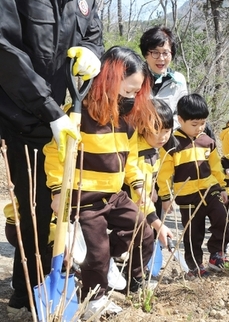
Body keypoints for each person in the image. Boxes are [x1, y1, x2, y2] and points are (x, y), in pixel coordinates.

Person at [0, 0, 103, 313]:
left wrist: (92, 53)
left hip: (58, 119)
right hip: (15, 118)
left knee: (51, 208)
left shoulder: (85, 2)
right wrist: (49, 109)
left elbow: (92, 35)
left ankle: (30, 291)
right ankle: (28, 294)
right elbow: (4, 50)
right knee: (32, 209)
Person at [44, 46, 157, 317]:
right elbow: (54, 154)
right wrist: (59, 191)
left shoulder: (125, 120)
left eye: (135, 92)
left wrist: (138, 186)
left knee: (143, 230)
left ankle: (124, 273)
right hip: (85, 200)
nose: (131, 97)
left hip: (114, 195)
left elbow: (129, 160)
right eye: (128, 90)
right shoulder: (78, 116)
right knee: (95, 254)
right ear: (110, 79)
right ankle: (95, 298)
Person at [157, 93, 229, 278]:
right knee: (193, 233)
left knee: (222, 217)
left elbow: (215, 167)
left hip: (210, 189)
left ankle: (217, 254)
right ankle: (195, 266)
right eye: (194, 124)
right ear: (180, 120)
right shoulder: (171, 143)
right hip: (187, 196)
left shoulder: (208, 141)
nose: (200, 128)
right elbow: (164, 174)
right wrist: (165, 197)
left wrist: (222, 187)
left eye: (203, 123)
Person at [124, 98, 174, 246]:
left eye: (167, 131)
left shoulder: (151, 148)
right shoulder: (141, 154)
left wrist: (151, 188)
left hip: (139, 205)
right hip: (132, 208)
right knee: (141, 238)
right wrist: (157, 223)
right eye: (156, 131)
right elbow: (139, 197)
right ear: (142, 126)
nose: (163, 137)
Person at [139, 26, 188, 129]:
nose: (161, 58)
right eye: (155, 52)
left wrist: (163, 129)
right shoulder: (135, 76)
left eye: (165, 53)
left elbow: (182, 115)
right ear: (145, 54)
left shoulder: (178, 80)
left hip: (166, 139)